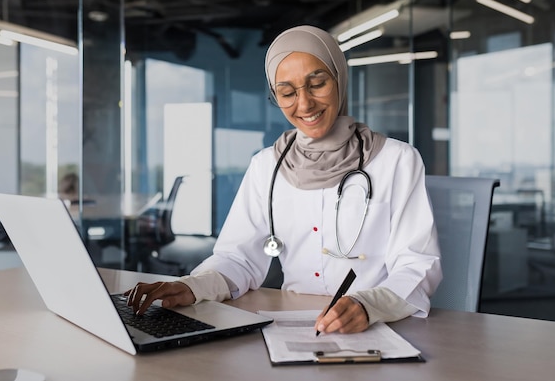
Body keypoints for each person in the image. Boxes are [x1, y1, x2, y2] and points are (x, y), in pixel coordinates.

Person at [126, 25, 442, 335]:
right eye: (287, 93)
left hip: (378, 328)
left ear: (340, 80)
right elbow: (238, 259)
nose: (304, 105)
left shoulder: (396, 160)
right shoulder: (267, 165)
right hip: (293, 328)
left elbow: (417, 264)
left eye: (317, 84)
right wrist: (191, 287)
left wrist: (369, 305)